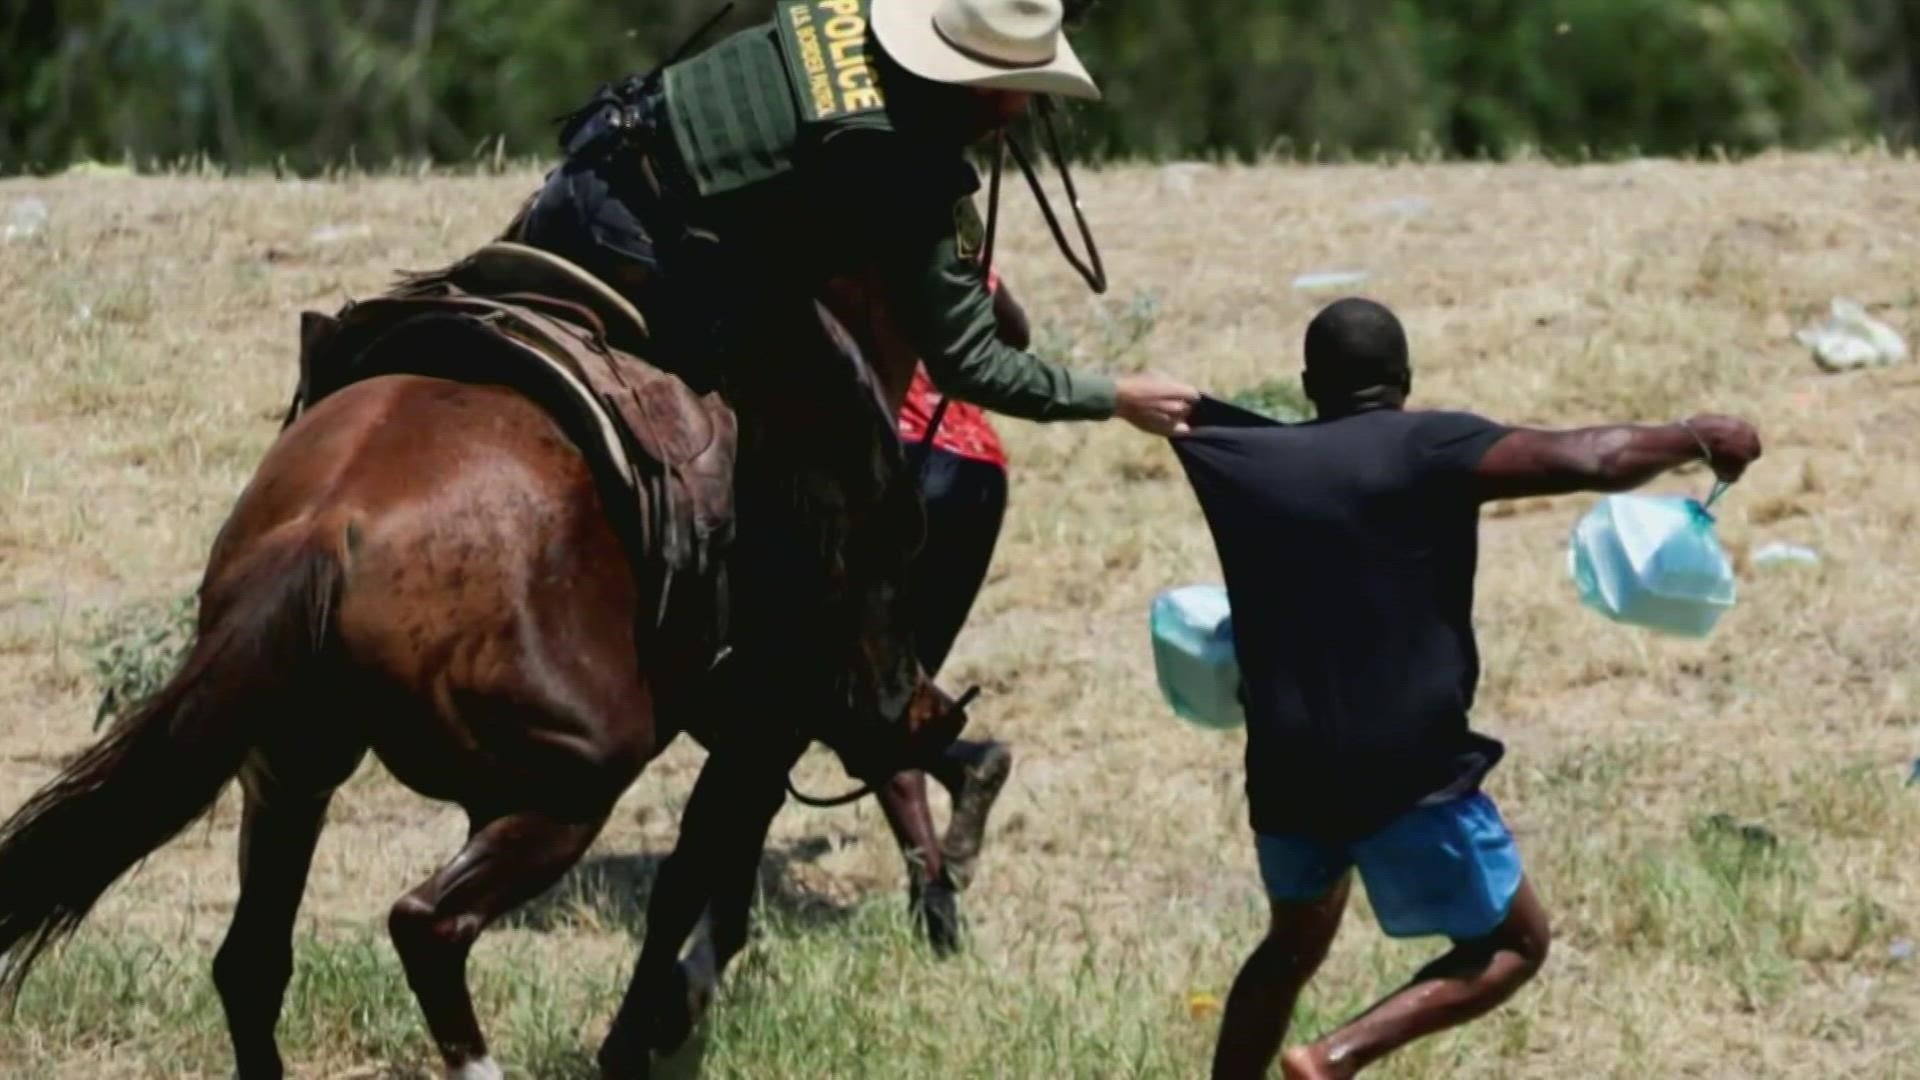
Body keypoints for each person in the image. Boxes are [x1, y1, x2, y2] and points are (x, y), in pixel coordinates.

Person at [1167, 298, 1763, 1080]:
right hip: (1406, 768)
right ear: (1405, 379)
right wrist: (1696, 438)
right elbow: (1593, 458)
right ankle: (1333, 1059)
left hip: (1286, 765)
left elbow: (1181, 413)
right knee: (1515, 944)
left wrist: (1176, 404)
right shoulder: (1429, 446)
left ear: (1309, 384)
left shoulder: (1241, 457)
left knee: (1291, 944)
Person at [512, 0, 1196, 438]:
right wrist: (1116, 396)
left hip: (585, 170)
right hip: (643, 255)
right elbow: (973, 367)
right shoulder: (918, 173)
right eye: (1028, 85)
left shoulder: (852, 10)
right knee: (823, 448)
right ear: (988, 88)